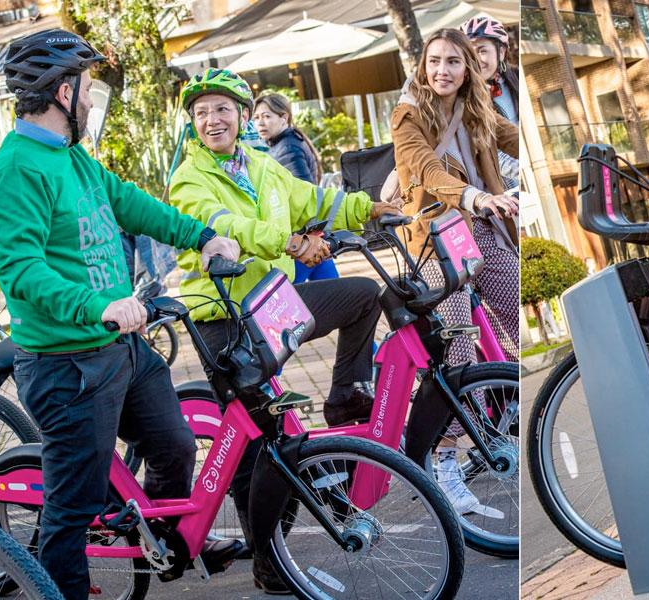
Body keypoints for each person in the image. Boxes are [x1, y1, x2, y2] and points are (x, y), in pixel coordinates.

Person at [0, 30, 243, 600]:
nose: (94, 99)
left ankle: (164, 542)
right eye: (89, 87)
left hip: (121, 348)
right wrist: (98, 304)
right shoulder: (16, 171)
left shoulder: (72, 157)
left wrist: (201, 235)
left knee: (174, 443)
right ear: (62, 91)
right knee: (70, 512)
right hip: (67, 365)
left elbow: (127, 201)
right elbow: (21, 270)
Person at [167, 67, 400, 594]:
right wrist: (290, 243)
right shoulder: (190, 179)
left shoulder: (264, 167)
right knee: (260, 444)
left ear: (244, 115)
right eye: (201, 113)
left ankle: (345, 397)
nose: (212, 120)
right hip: (225, 319)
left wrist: (371, 208)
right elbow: (227, 228)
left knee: (365, 296)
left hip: (273, 307)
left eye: (222, 109)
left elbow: (316, 199)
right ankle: (270, 566)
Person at [390, 28, 520, 513]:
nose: (442, 70)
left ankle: (509, 417)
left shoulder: (476, 107)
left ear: (468, 68)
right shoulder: (407, 114)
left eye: (452, 62)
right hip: (438, 241)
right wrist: (474, 195)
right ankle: (443, 460)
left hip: (485, 229)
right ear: (423, 65)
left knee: (516, 325)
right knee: (459, 349)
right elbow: (426, 169)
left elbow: (513, 137)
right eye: (434, 60)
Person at [252, 92, 339, 283]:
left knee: (283, 298)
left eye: (267, 116)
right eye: (257, 117)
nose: (260, 123)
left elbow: (303, 193)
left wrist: (298, 241)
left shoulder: (287, 148)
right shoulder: (286, 143)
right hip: (309, 236)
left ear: (284, 117)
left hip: (302, 239)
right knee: (331, 294)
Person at [460, 15, 518, 125]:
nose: (475, 60)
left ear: (501, 52)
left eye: (482, 51)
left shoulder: (518, 79)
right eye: (469, 53)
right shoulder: (462, 95)